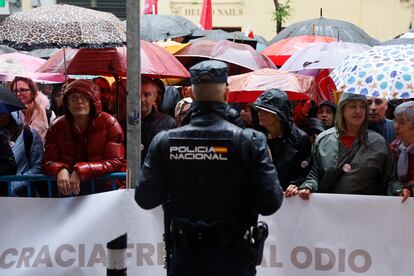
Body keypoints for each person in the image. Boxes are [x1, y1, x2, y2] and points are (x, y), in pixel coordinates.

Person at [135, 60, 283, 276]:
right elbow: (270, 202)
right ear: (227, 94)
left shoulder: (166, 141)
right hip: (233, 259)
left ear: (191, 94)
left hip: (187, 258)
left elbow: (145, 197)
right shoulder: (250, 141)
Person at [296, 93, 400, 199]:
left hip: (366, 210)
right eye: (352, 106)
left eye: (363, 106)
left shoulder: (379, 142)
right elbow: (314, 173)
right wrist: (308, 186)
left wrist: (398, 190)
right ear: (342, 110)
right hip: (328, 209)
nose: (358, 111)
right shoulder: (323, 140)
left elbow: (390, 179)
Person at [43, 80, 125, 196]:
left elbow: (115, 161)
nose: (79, 101)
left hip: (105, 192)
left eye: (84, 97)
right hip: (69, 194)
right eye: (73, 98)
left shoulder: (109, 123)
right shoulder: (56, 127)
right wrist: (60, 169)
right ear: (67, 103)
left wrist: (81, 170)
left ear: (93, 101)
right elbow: (48, 161)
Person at [253, 89, 311, 191]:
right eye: (259, 109)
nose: (259, 113)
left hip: (291, 199)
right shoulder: (256, 138)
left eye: (264, 110)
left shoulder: (301, 138)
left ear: (278, 114)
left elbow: (306, 171)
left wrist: (296, 184)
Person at [0, 113, 44, 196]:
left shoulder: (29, 133)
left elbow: (37, 166)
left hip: (24, 195)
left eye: (2, 114)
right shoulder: (2, 135)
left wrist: (14, 185)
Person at [10, 77, 55, 143]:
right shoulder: (8, 115)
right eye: (15, 91)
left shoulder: (48, 114)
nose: (18, 94)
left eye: (22, 90)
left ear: (32, 91)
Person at [141, 77, 176, 161]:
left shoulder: (168, 123)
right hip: (129, 172)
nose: (141, 100)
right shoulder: (123, 122)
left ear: (155, 96)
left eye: (147, 95)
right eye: (137, 95)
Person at [390, 101, 414, 202]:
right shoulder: (394, 147)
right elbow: (390, 178)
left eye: (402, 122)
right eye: (395, 121)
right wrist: (399, 189)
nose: (396, 126)